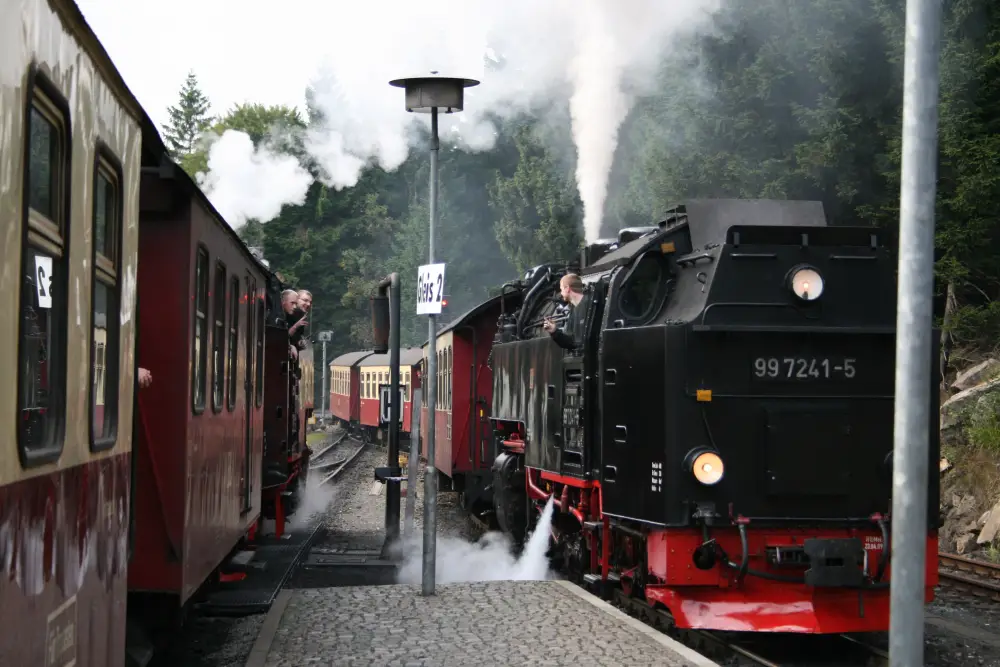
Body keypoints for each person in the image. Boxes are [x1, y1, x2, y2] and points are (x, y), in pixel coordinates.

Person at [542, 273, 588, 350]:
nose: (561, 293)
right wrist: (554, 331)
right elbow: (571, 342)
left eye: (561, 289)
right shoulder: (573, 310)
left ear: (567, 288)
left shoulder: (590, 305)